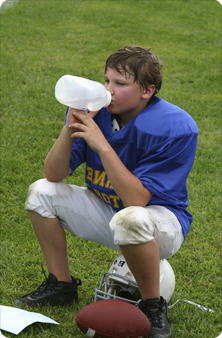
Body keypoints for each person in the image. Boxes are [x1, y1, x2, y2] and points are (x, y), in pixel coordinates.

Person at [15, 46, 198, 338]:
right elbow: (54, 174)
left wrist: (101, 144)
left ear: (147, 91)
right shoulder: (95, 112)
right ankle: (61, 285)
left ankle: (153, 306)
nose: (108, 90)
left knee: (132, 219)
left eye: (120, 84)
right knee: (41, 191)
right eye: (107, 80)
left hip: (159, 223)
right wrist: (69, 126)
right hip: (108, 210)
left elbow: (136, 201)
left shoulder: (174, 126)